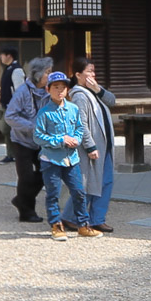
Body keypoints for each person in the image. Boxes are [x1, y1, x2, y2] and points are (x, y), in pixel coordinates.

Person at [34, 71, 97, 240]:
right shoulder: (44, 113)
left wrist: (76, 139)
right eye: (56, 87)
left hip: (72, 159)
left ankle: (83, 225)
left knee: (78, 191)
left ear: (67, 90)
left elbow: (79, 128)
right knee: (53, 194)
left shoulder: (73, 109)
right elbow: (38, 137)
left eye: (63, 87)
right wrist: (61, 139)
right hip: (51, 159)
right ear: (48, 89)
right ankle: (56, 225)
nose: (59, 91)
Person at [3, 57, 52, 223]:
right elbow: (10, 116)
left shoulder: (48, 91)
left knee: (45, 173)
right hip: (22, 140)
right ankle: (27, 212)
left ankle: (20, 200)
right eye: (47, 72)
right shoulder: (23, 92)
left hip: (42, 141)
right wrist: (32, 126)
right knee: (26, 177)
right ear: (37, 74)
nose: (49, 75)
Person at [72, 58, 117, 233]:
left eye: (93, 71)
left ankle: (97, 218)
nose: (92, 75)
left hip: (104, 144)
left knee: (104, 181)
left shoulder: (93, 92)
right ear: (78, 75)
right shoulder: (79, 96)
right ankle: (71, 217)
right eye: (88, 71)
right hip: (91, 147)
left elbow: (112, 101)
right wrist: (90, 146)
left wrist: (98, 89)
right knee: (88, 184)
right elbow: (80, 123)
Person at [0, 46, 24, 165]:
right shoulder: (8, 68)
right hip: (5, 104)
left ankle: (16, 154)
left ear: (9, 56)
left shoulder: (16, 70)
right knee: (7, 131)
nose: (1, 58)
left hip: (12, 107)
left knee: (7, 129)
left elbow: (19, 91)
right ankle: (11, 154)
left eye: (2, 55)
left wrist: (16, 107)